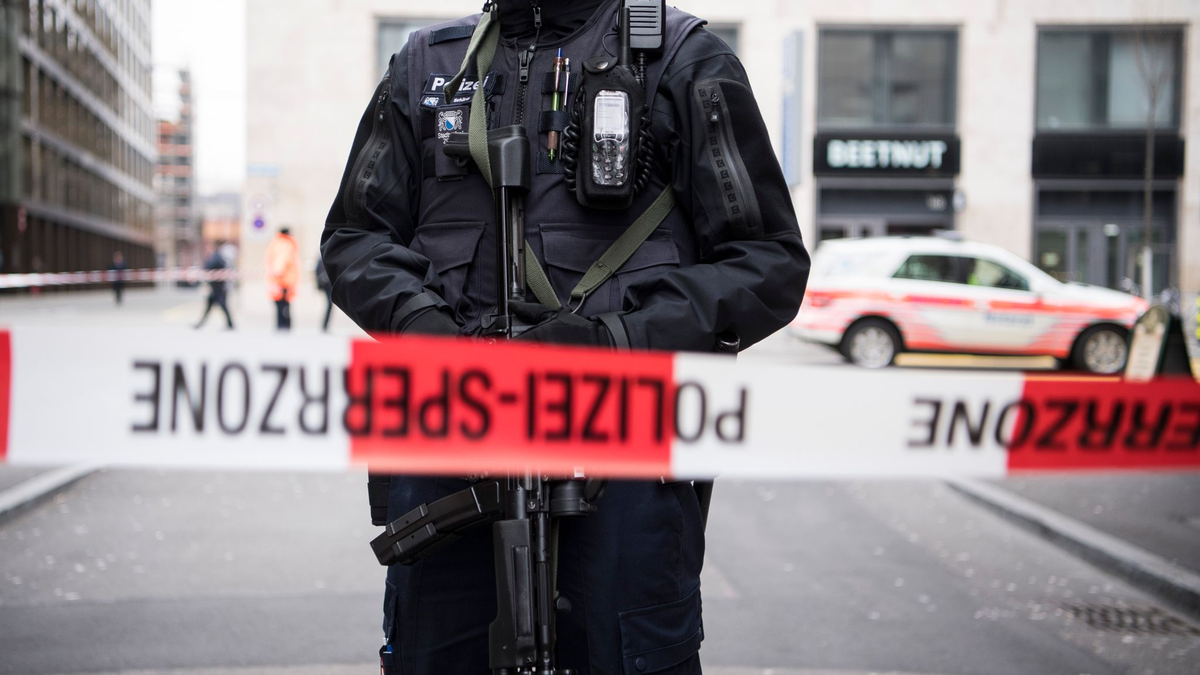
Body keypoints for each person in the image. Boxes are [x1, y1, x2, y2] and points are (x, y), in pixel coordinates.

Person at [321, 2, 810, 674]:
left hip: (622, 468)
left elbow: (769, 262)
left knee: (626, 655)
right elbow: (354, 239)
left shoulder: (683, 58)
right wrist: (424, 331)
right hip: (449, 447)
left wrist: (614, 342)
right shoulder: (425, 66)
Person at [264, 227, 299, 330]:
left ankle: (281, 326)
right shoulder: (284, 244)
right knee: (283, 306)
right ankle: (284, 327)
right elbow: (280, 261)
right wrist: (279, 273)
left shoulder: (276, 243)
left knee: (280, 306)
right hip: (283, 282)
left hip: (278, 281)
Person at [194, 242, 235, 330]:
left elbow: (209, 267)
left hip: (218, 287)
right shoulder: (217, 257)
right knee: (213, 306)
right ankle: (201, 323)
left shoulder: (216, 257)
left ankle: (230, 324)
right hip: (216, 287)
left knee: (222, 306)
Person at [315, 257, 334, 331]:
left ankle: (325, 325)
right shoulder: (322, 259)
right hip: (327, 285)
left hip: (328, 285)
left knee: (329, 305)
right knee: (329, 304)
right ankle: (324, 325)